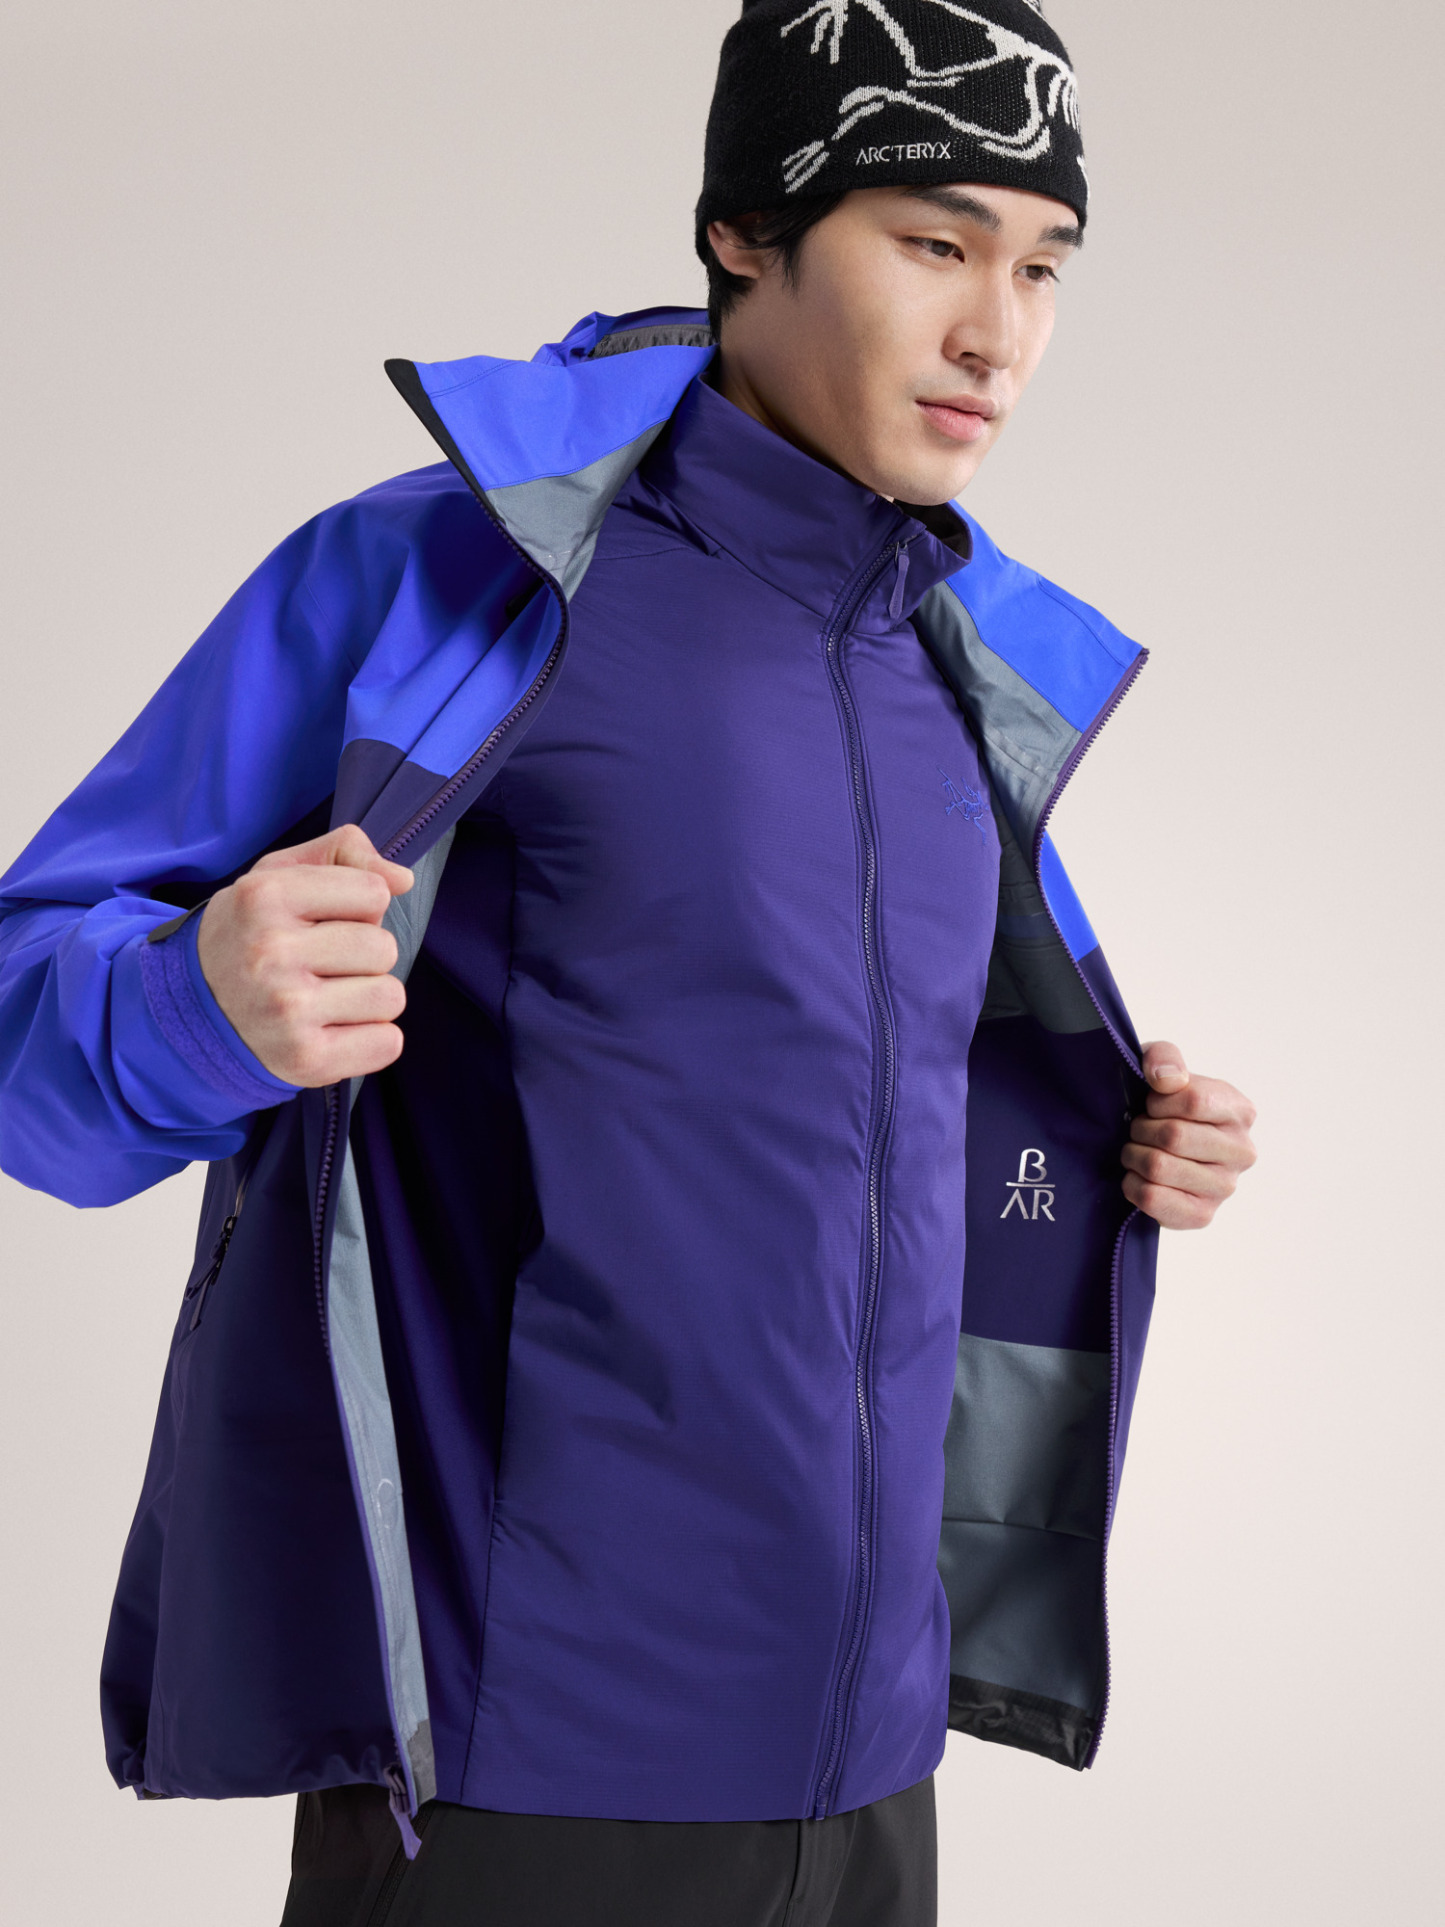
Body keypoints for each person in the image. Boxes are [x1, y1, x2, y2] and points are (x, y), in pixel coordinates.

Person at [0, 4, 1257, 1923]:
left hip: (868, 1757)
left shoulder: (944, 657)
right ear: (744, 231)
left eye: (1040, 266)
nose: (996, 334)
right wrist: (195, 1005)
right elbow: (27, 1026)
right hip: (525, 1756)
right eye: (933, 243)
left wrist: (1121, 1146)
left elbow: (862, 1107)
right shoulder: (452, 580)